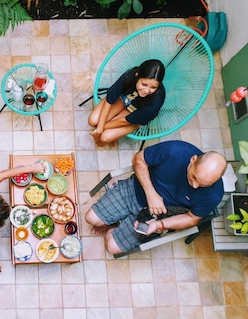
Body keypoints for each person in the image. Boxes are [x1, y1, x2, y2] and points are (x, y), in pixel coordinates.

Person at [85, 140, 227, 255]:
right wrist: (151, 194)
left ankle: (114, 226)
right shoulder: (175, 150)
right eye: (194, 177)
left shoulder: (214, 194)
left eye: (203, 184)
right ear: (193, 159)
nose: (195, 186)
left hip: (159, 216)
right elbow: (138, 158)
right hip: (134, 191)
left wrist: (159, 225)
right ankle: (117, 221)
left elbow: (192, 219)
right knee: (91, 218)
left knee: (112, 248)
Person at [88, 59, 166, 147]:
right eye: (144, 84)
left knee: (105, 137)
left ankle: (104, 141)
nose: (146, 90)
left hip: (135, 114)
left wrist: (101, 128)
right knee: (92, 121)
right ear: (137, 76)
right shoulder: (129, 76)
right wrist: (99, 128)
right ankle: (107, 135)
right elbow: (109, 101)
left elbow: (125, 121)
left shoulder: (154, 104)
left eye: (153, 87)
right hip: (123, 99)